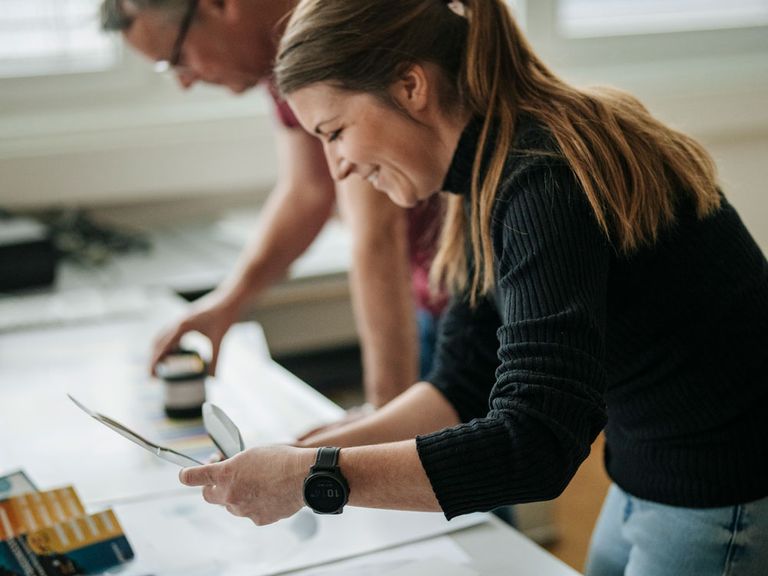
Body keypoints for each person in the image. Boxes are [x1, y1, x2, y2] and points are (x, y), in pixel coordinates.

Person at [177, 0, 768, 573]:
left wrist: (317, 477)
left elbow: (536, 444)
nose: (338, 169)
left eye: (335, 132)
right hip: (652, 467)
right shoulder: (483, 175)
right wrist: (311, 455)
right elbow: (461, 383)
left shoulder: (544, 179)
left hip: (721, 483)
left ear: (411, 86)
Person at [99, 0, 447, 410]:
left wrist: (384, 414)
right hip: (434, 297)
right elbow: (308, 189)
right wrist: (227, 302)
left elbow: (377, 233)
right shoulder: (279, 54)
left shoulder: (337, 34)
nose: (185, 82)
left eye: (177, 59)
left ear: (217, 5)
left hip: (475, 292)